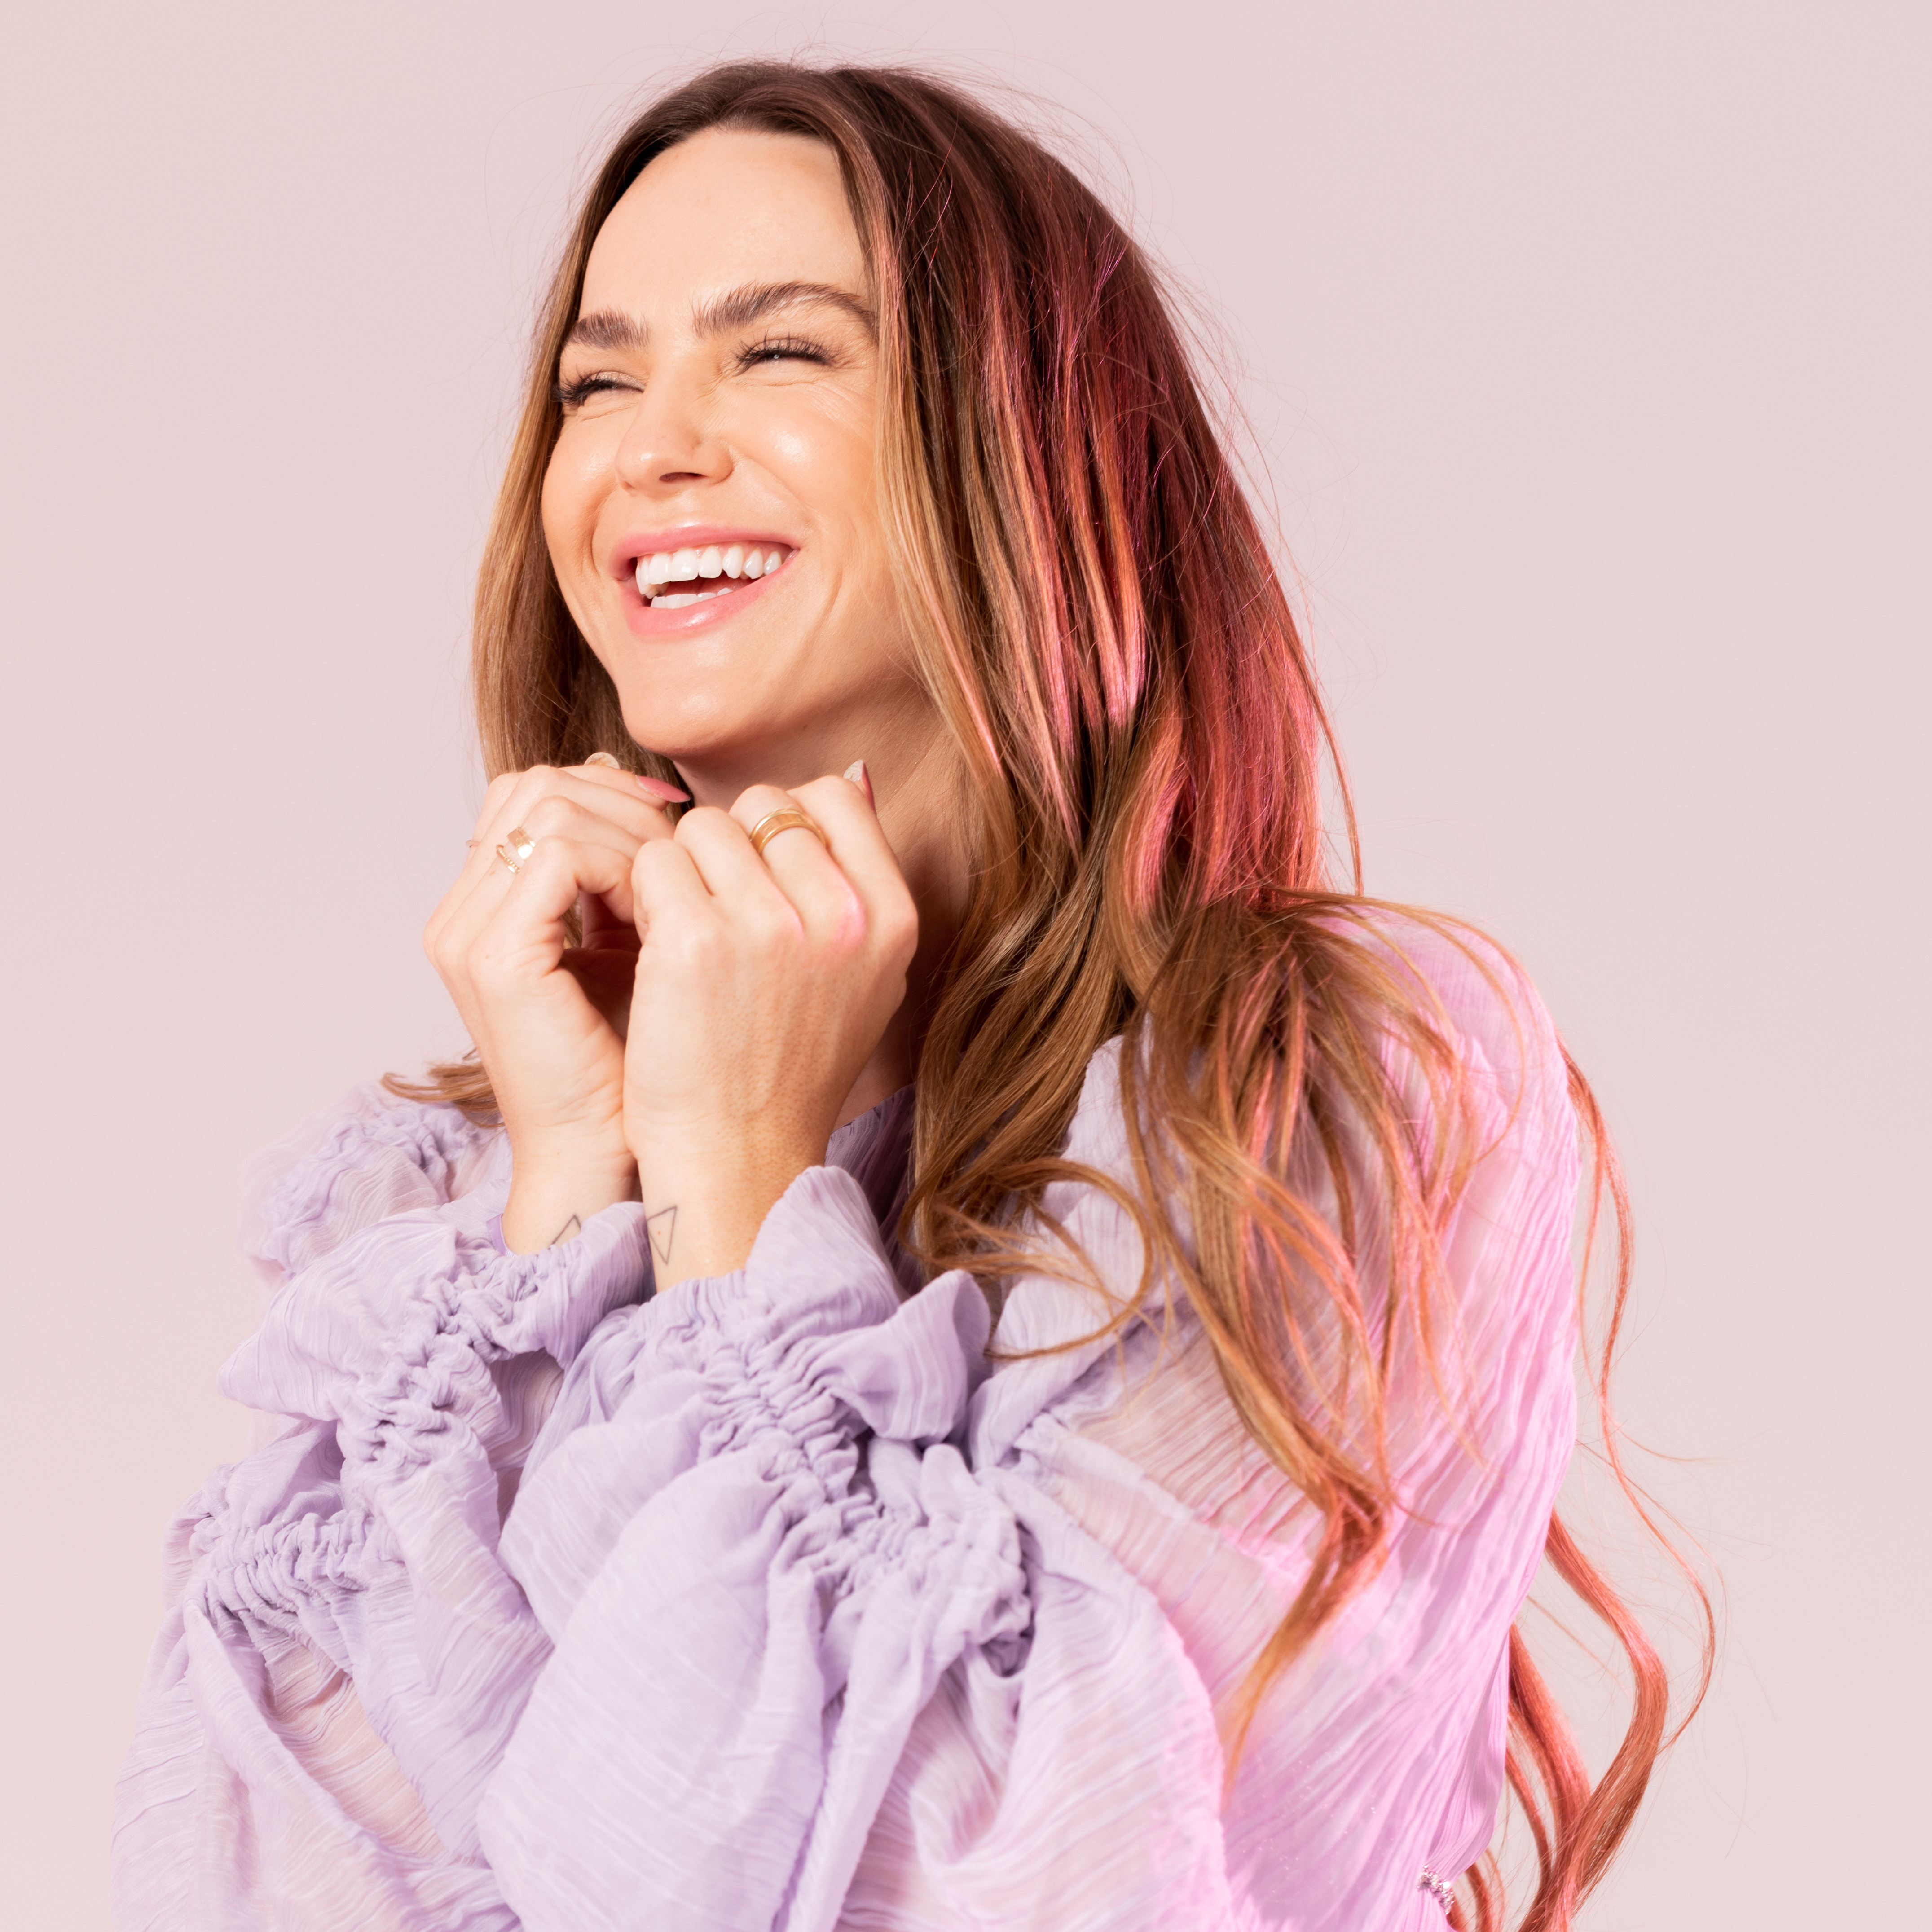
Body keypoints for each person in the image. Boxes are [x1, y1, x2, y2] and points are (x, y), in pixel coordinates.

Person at [112, 60, 1699, 1932]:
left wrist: (729, 1208)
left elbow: (976, 1884)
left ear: (1027, 453)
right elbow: (299, 1875)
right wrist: (569, 1196)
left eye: (775, 354)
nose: (651, 448)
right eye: (596, 381)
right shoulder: (456, 1217)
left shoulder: (1311, 1088)